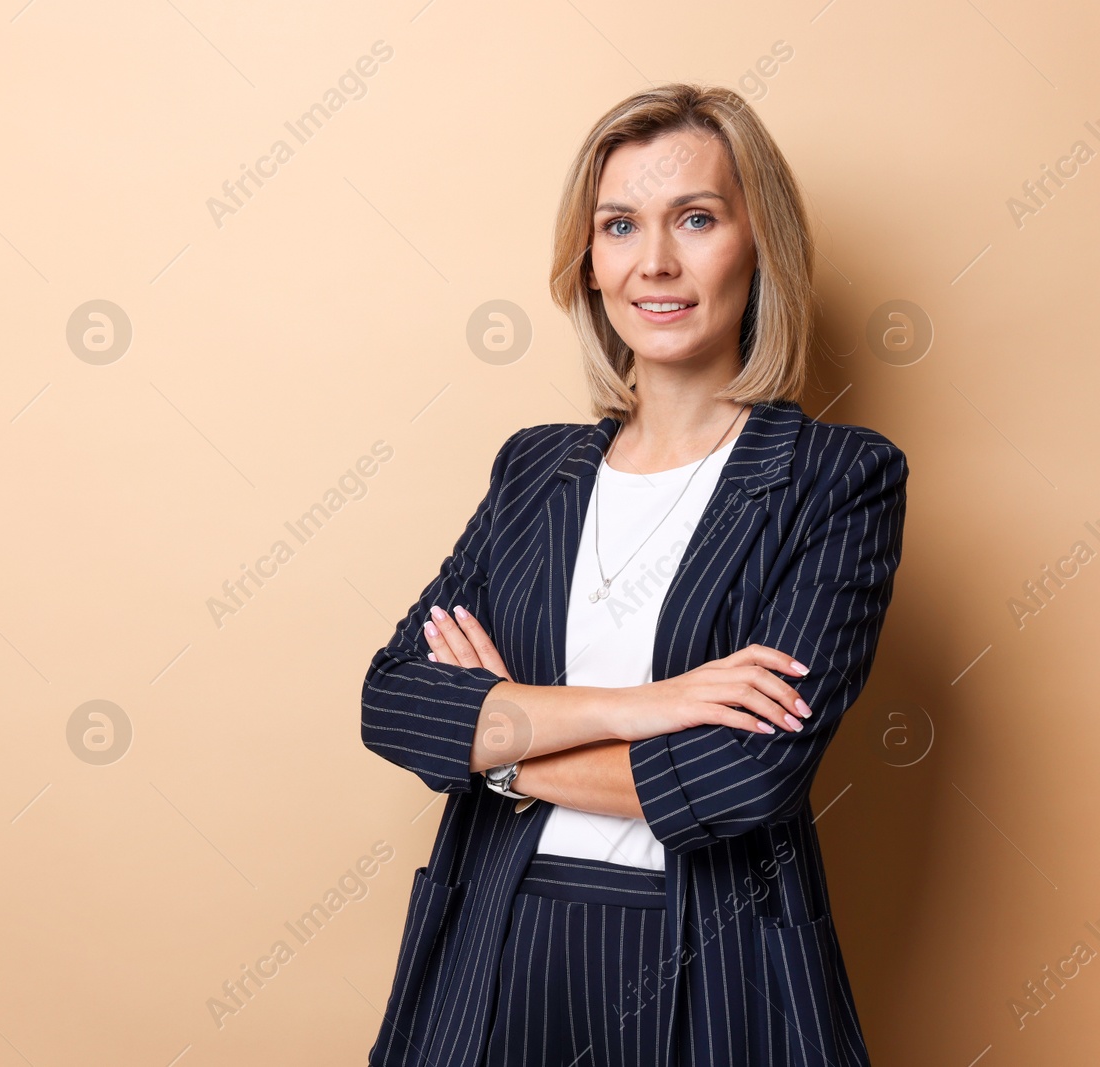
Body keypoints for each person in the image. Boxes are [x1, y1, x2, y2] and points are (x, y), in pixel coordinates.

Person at [360, 83, 907, 1067]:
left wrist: (505, 747)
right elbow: (397, 702)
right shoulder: (534, 466)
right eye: (620, 225)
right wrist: (658, 703)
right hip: (497, 945)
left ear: (759, 246)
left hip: (714, 957)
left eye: (694, 218)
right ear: (591, 262)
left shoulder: (839, 477)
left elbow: (746, 776)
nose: (654, 261)